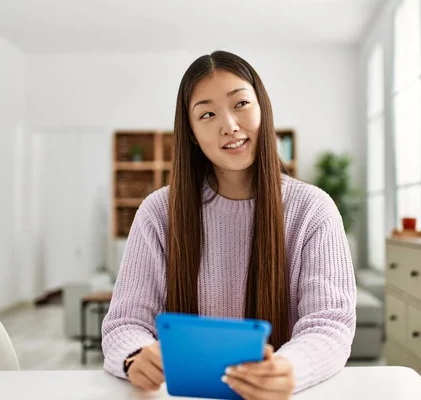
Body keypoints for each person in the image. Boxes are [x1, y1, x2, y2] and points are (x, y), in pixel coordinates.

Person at [101, 50, 357, 399]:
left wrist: (289, 369)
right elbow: (124, 323)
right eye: (207, 114)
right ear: (191, 132)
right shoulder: (158, 211)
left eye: (240, 104)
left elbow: (330, 324)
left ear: (262, 108)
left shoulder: (313, 210)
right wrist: (135, 356)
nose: (229, 126)